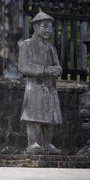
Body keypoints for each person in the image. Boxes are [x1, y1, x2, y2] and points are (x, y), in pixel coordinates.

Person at [18, 11, 63, 154]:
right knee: (34, 116)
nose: (48, 30)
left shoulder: (51, 47)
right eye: (44, 26)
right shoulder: (27, 44)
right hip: (35, 86)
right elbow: (24, 67)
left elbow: (58, 67)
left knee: (50, 117)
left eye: (50, 27)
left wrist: (57, 70)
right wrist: (45, 70)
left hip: (50, 86)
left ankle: (47, 143)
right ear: (36, 27)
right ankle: (33, 142)